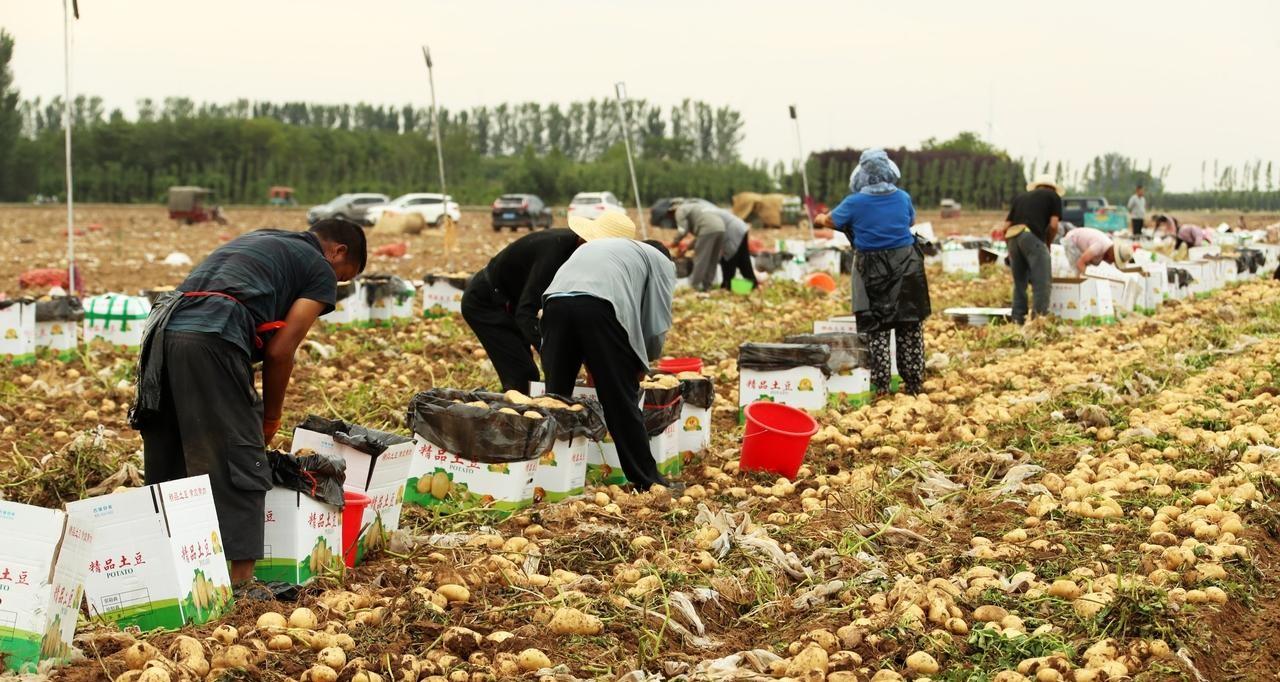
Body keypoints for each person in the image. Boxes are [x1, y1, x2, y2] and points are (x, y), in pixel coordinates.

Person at [130, 219, 367, 598]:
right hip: (213, 333)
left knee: (168, 448)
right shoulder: (319, 266)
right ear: (337, 252)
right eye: (343, 277)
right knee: (241, 453)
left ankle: (165, 574)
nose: (333, 287)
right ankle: (241, 584)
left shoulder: (265, 239)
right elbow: (279, 350)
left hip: (162, 329)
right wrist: (270, 417)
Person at [540, 237, 676, 491]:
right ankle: (648, 480)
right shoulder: (661, 263)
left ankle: (545, 475)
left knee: (557, 396)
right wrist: (641, 362)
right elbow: (656, 324)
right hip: (598, 305)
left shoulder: (616, 251)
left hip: (554, 303)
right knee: (619, 398)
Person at [461, 212, 636, 391]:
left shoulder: (588, 261)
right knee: (522, 375)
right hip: (487, 303)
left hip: (513, 301)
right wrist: (554, 354)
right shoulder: (554, 253)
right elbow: (526, 312)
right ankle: (510, 416)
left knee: (529, 375)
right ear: (586, 239)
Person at [813, 149, 929, 397]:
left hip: (871, 269)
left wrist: (820, 217)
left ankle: (880, 386)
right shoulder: (902, 197)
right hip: (907, 264)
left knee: (875, 329)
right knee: (909, 325)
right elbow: (909, 222)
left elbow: (830, 221)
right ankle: (914, 384)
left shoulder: (853, 202)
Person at [1003, 174, 1064, 324]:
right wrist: (1047, 244)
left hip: (1013, 236)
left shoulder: (1021, 198)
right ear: (1052, 187)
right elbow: (1054, 225)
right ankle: (1038, 322)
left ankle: (1017, 319)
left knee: (1020, 282)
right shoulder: (1053, 197)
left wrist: (1010, 248)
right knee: (1042, 281)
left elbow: (1005, 227)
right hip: (1031, 236)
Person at [668, 199, 726, 291]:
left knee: (700, 259)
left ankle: (694, 286)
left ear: (674, 208)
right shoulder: (696, 207)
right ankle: (708, 286)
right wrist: (687, 248)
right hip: (721, 227)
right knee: (712, 259)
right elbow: (700, 236)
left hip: (707, 229)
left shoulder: (680, 210)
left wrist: (674, 243)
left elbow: (683, 230)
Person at [713, 207, 757, 290]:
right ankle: (752, 284)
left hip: (733, 230)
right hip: (741, 227)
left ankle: (727, 286)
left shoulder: (701, 213)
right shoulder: (706, 209)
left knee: (729, 257)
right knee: (743, 259)